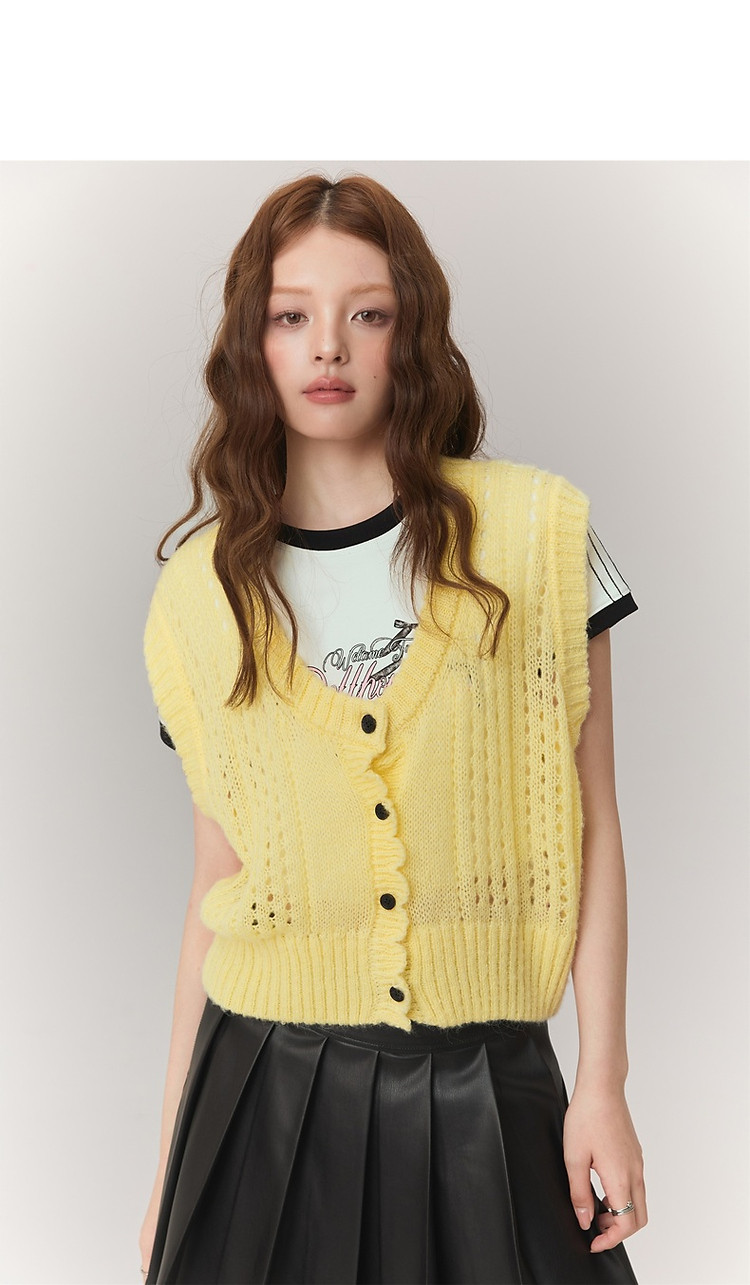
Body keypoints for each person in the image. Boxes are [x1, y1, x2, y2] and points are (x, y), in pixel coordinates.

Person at [139, 172, 647, 1284]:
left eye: (366, 312)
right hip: (260, 1098)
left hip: (490, 1089)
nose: (328, 345)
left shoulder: (537, 534)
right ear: (250, 343)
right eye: (290, 315)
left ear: (410, 331)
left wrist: (602, 1079)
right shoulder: (196, 599)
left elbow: (595, 826)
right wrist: (171, 1170)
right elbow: (214, 888)